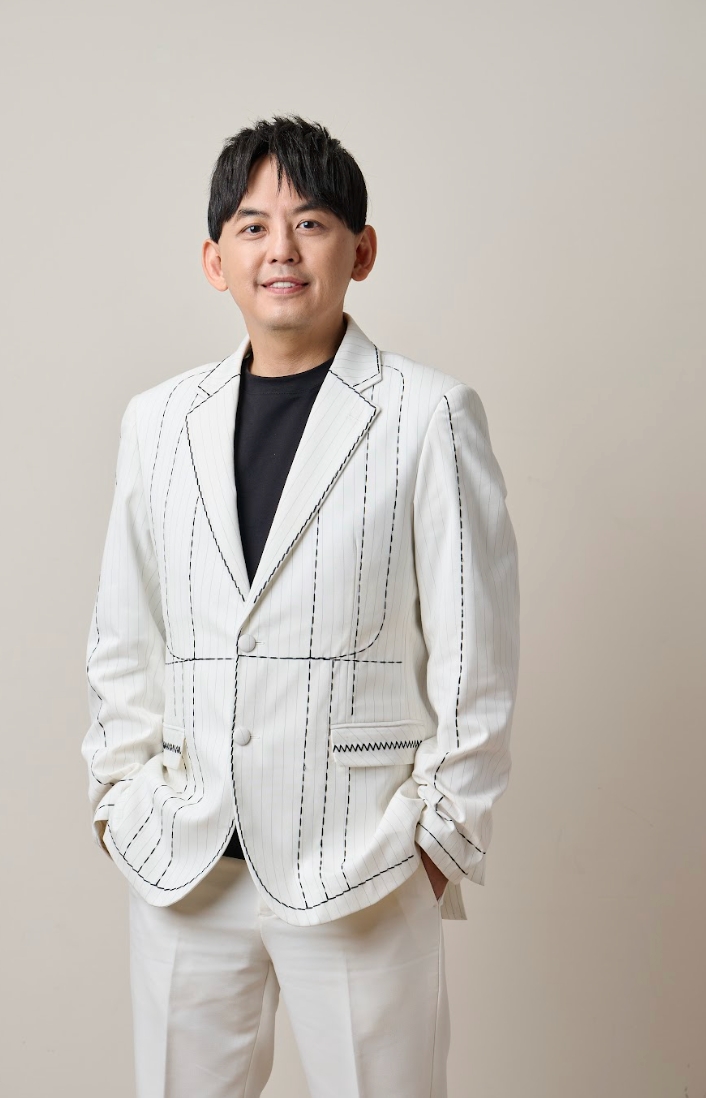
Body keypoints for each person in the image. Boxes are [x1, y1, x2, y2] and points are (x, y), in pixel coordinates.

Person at [82, 114, 520, 1098]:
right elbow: (123, 632)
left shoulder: (428, 415)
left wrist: (437, 842)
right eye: (252, 226)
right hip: (186, 862)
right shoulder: (157, 423)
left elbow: (477, 652)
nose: (280, 248)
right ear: (215, 260)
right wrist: (118, 799)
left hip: (361, 864)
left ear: (360, 252)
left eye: (311, 222)